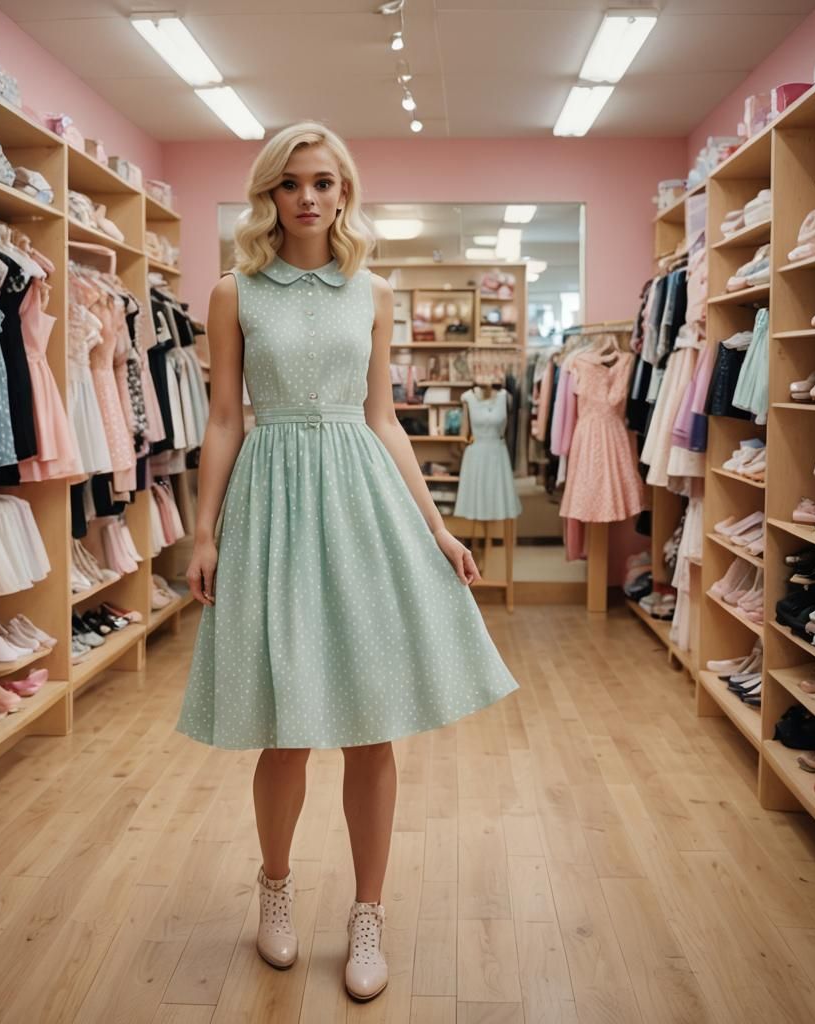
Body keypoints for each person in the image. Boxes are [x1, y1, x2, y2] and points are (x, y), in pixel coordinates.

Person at [176, 121, 518, 1002]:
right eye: (291, 183)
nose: (309, 197)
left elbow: (384, 417)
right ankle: (277, 890)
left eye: (324, 182)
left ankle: (368, 911)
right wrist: (204, 529)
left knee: (373, 719)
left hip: (359, 498)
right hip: (272, 499)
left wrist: (437, 527)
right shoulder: (233, 291)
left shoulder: (373, 291)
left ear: (345, 193)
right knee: (286, 725)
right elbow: (223, 419)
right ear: (269, 195)